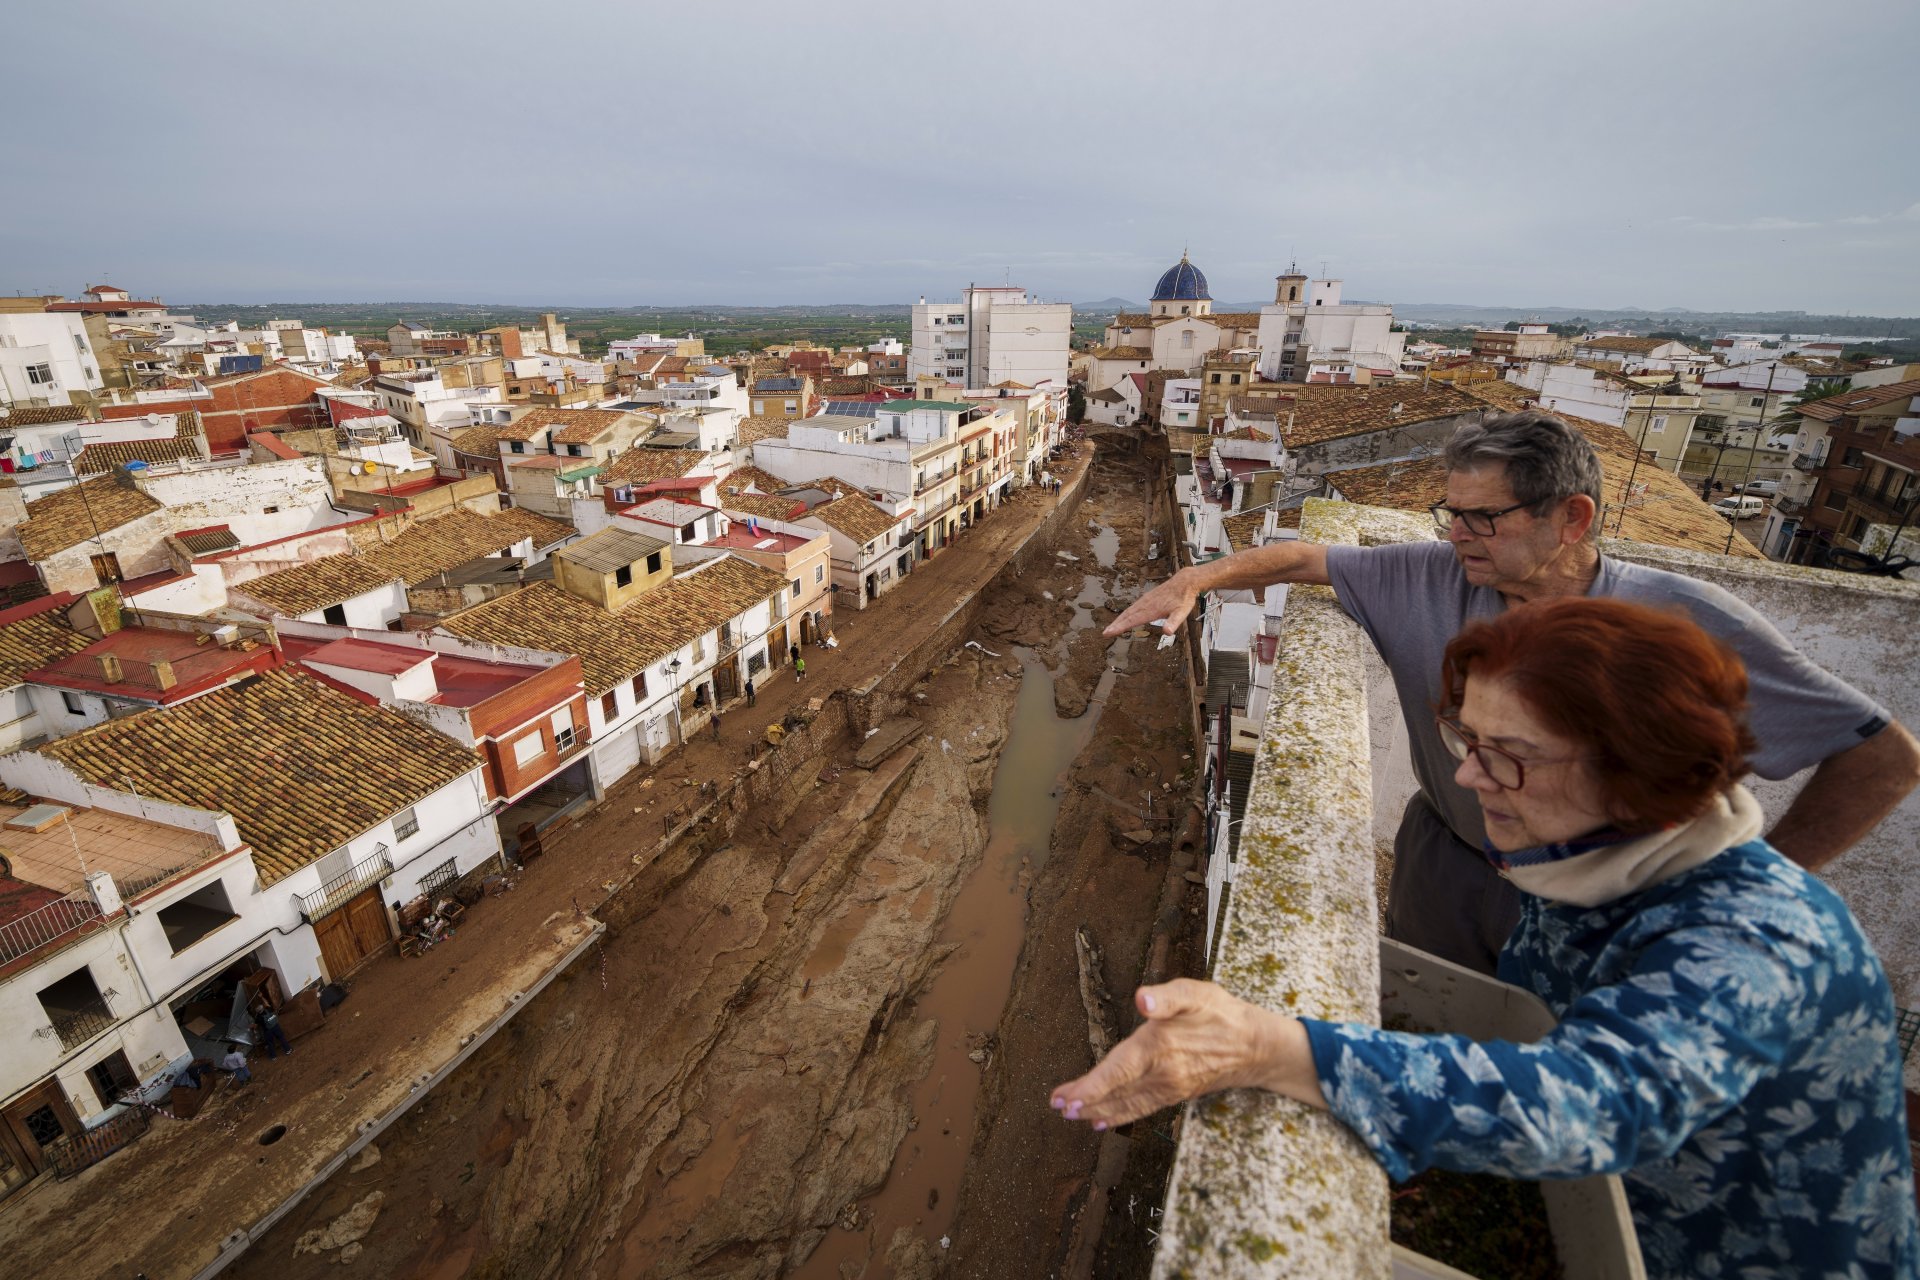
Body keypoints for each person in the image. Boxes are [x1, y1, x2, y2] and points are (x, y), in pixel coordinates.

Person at [1055, 598, 1919, 1279]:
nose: (1469, 776)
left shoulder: (1765, 942)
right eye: (1467, 738)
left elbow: (1589, 1105)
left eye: (1509, 754)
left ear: (1637, 772)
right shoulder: (1583, 855)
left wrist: (1267, 1048)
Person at [1106, 409, 1920, 973]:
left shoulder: (1680, 621)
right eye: (1449, 512)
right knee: (1428, 1022)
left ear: (1571, 518)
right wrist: (1195, 580)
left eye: (1483, 518)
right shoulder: (1431, 574)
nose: (1456, 534)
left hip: (1610, 906)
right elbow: (1302, 559)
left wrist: (1759, 884)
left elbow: (1883, 756)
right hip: (1449, 869)